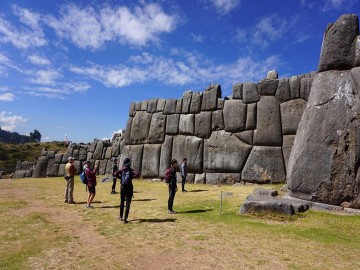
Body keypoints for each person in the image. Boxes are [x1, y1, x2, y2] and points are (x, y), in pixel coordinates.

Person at [114, 158, 139, 223]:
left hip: (122, 187)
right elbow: (137, 174)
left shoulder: (122, 169)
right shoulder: (130, 170)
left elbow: (115, 173)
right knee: (128, 204)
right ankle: (125, 219)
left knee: (122, 202)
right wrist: (131, 178)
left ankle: (120, 216)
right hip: (129, 188)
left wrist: (121, 178)